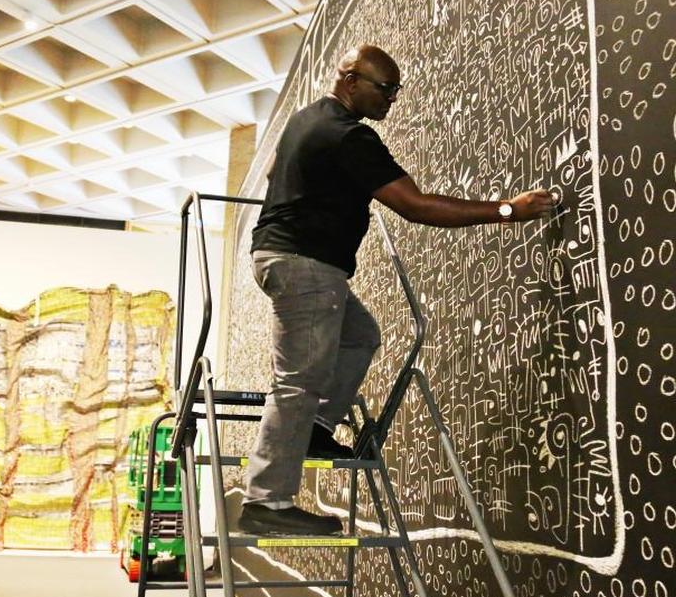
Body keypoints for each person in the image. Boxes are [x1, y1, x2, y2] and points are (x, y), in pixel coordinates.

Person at [237, 44, 556, 536]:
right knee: (298, 380)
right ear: (349, 81)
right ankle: (266, 502)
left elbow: (273, 170)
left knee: (359, 336)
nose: (392, 99)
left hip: (288, 258)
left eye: (395, 90)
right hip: (306, 265)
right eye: (384, 89)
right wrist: (508, 210)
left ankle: (317, 433)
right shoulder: (349, 137)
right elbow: (417, 206)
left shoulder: (306, 120)